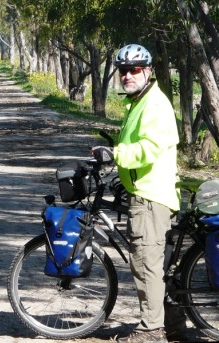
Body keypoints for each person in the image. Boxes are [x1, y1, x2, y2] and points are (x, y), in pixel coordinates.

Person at [93, 43, 182, 343]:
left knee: (146, 264)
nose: (127, 75)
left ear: (147, 71)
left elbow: (149, 148)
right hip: (144, 191)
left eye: (134, 69)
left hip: (151, 197)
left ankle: (151, 330)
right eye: (123, 70)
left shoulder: (154, 104)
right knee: (156, 265)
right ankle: (174, 326)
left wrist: (116, 155)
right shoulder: (139, 102)